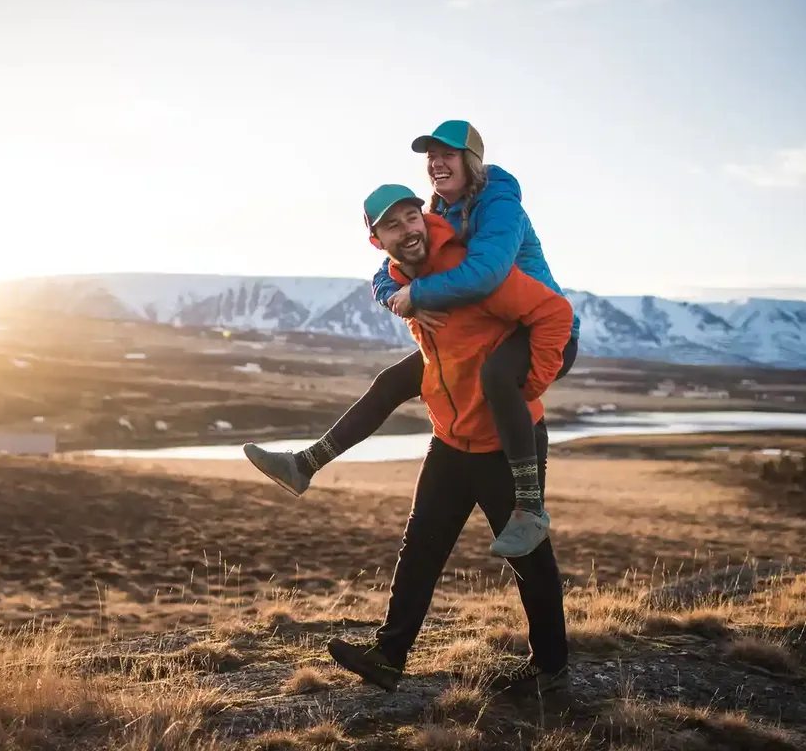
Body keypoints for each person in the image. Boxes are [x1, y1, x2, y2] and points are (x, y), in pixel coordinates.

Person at [243, 119, 578, 556]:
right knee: (392, 381)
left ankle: (530, 509)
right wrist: (393, 295)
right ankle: (304, 464)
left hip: (541, 329)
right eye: (431, 157)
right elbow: (391, 268)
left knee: (497, 377)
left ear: (471, 161)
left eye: (448, 154)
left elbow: (486, 274)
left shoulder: (500, 206)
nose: (438, 163)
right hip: (492, 331)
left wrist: (417, 294)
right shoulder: (439, 209)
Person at [323, 183, 574, 697]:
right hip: (450, 442)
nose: (408, 229)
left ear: (425, 217)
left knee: (530, 561)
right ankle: (389, 657)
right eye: (392, 225)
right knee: (419, 552)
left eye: (412, 216)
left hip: (506, 443)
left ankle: (551, 670)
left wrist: (533, 382)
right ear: (377, 240)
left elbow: (554, 314)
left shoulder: (469, 270)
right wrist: (396, 295)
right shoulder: (397, 279)